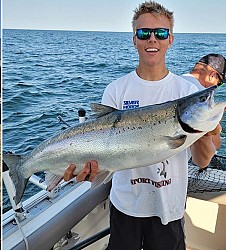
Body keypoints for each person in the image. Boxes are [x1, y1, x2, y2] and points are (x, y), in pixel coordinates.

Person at [64, 1, 220, 249]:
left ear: (170, 40)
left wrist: (203, 133)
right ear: (134, 40)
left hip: (169, 209)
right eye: (144, 33)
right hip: (125, 206)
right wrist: (88, 169)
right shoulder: (116, 89)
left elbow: (202, 162)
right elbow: (103, 157)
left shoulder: (187, 90)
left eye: (160, 33)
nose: (152, 40)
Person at [181, 54, 225, 149]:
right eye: (219, 83)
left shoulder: (175, 80)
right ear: (212, 75)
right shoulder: (201, 96)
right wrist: (216, 118)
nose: (217, 86)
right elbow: (215, 144)